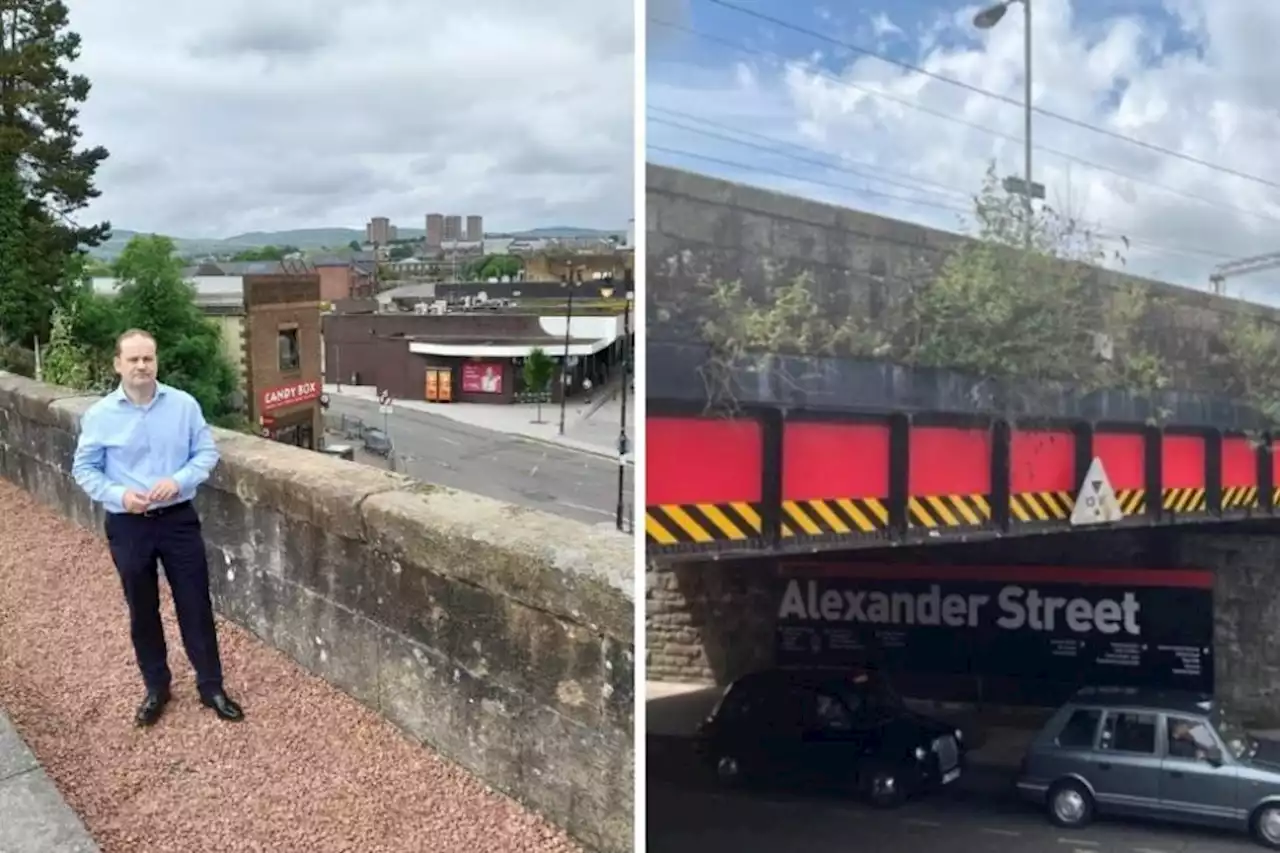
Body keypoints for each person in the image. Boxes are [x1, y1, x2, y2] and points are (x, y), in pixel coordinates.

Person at [71, 329, 244, 727]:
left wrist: (180, 480)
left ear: (156, 362)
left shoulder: (183, 406)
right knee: (142, 607)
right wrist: (119, 495)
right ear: (117, 364)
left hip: (178, 520)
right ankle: (156, 687)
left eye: (147, 358)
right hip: (129, 523)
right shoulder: (100, 416)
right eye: (132, 359)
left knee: (195, 603)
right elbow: (84, 469)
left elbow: (206, 453)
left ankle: (211, 686)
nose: (141, 366)